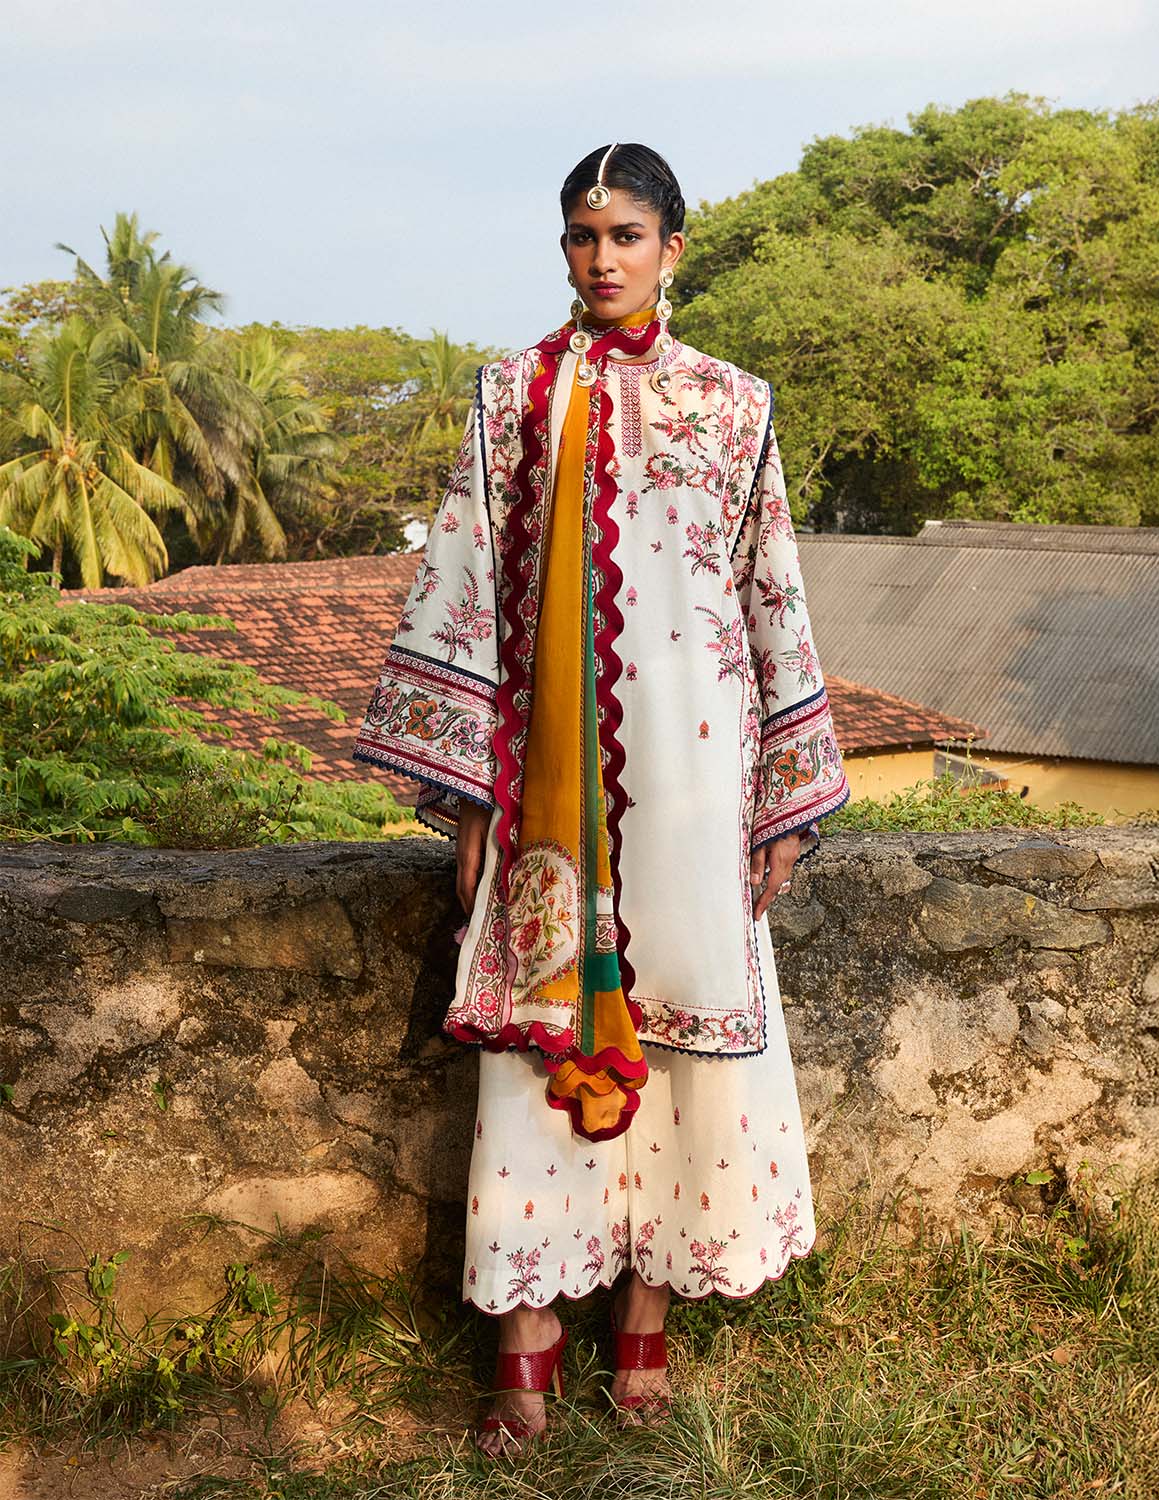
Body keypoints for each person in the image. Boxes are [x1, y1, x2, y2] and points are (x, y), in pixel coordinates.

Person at [353, 142, 851, 1459]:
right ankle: (523, 1345)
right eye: (582, 237)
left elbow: (772, 593)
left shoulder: (736, 407)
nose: (602, 258)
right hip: (547, 800)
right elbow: (461, 582)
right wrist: (468, 798)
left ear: (673, 248)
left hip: (699, 782)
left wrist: (784, 800)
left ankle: (645, 1326)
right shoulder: (512, 396)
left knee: (687, 1050)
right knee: (532, 1052)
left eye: (626, 234)